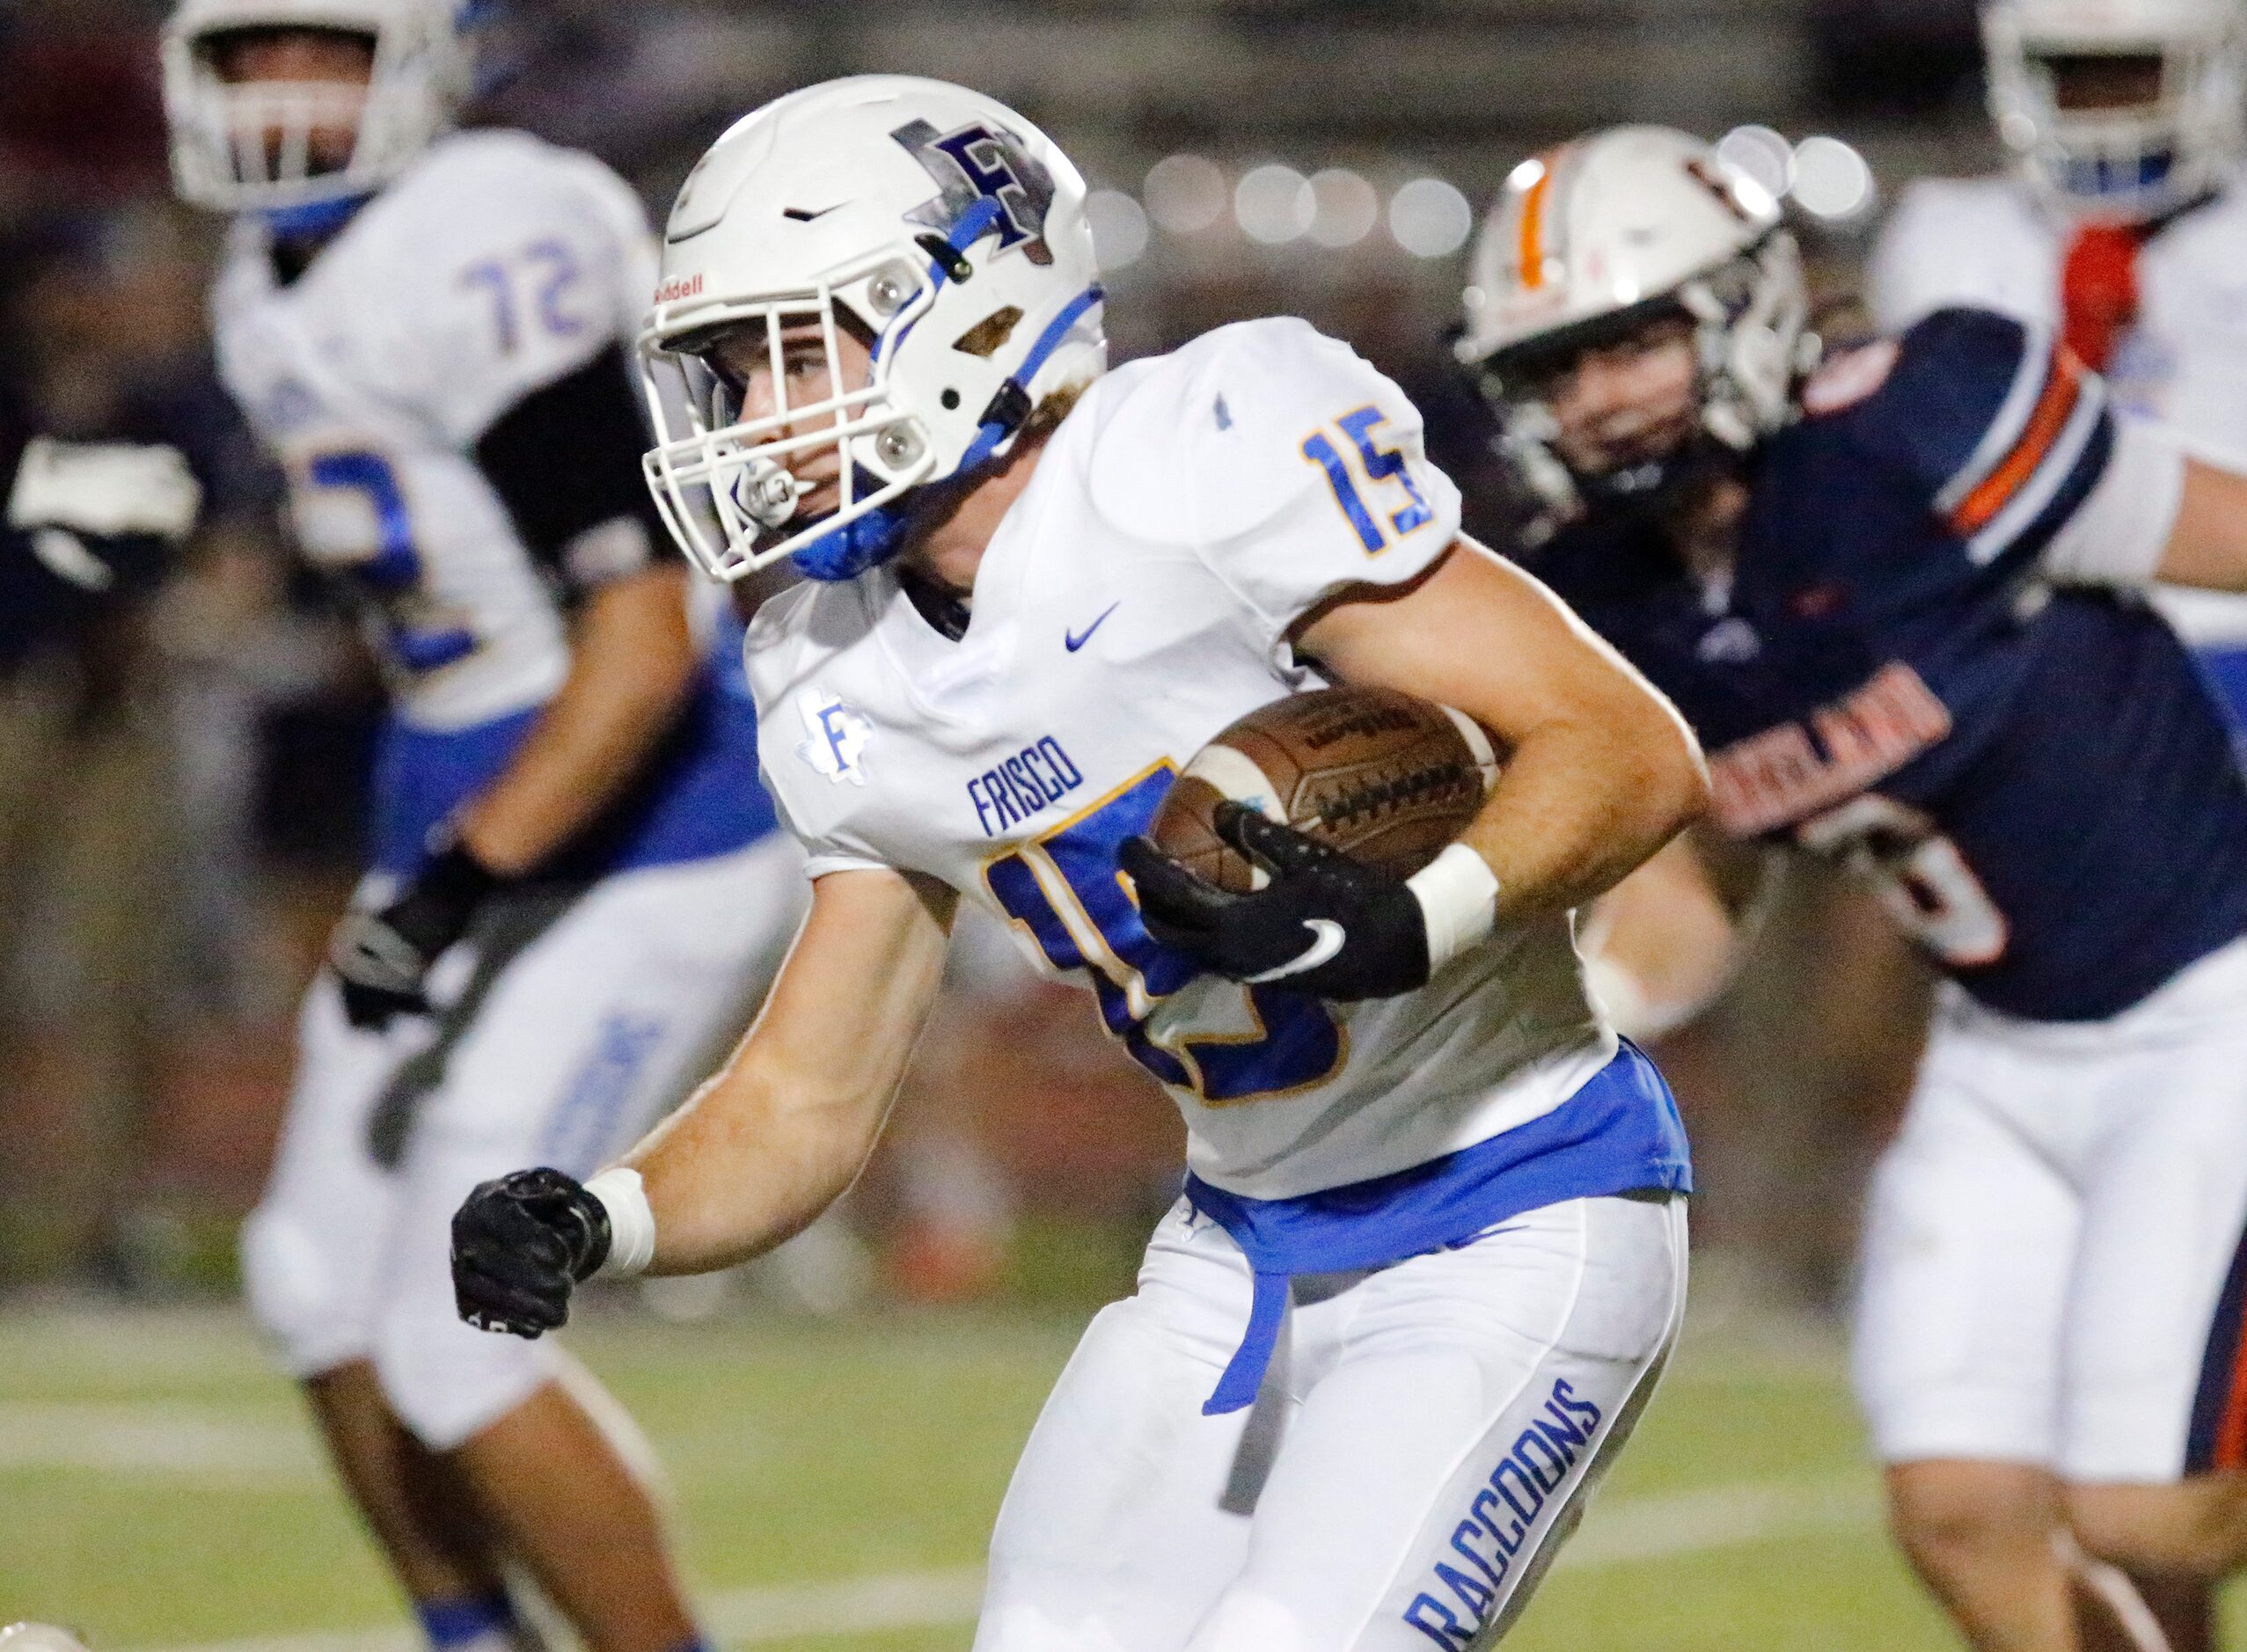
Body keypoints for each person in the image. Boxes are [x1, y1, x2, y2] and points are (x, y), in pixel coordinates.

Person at [449, 74, 1707, 1652]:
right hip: (1229, 1246)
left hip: (1511, 1209)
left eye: (784, 355)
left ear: (958, 308)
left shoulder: (1199, 457)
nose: (751, 420)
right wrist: (598, 1214)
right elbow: (808, 1096)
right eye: (722, 372)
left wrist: (1407, 917)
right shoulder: (827, 659)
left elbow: (1623, 744)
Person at [1455, 121, 2247, 1652]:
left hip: (2204, 1008)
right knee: (1957, 1507)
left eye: (1629, 340)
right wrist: (1556, 1045)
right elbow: (1701, 882)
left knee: (2145, 1511)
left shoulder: (1923, 428)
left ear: (1741, 304)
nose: (1595, 396)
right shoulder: (1619, 596)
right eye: (1556, 362)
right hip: (2000, 1053)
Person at [161, 4, 800, 1652]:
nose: (284, 93)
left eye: (322, 49)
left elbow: (644, 632)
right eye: (251, 54)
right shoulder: (260, 278)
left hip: (644, 818)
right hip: (464, 801)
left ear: (419, 65)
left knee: (458, 1330)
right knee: (310, 1276)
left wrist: (457, 882)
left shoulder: (479, 236)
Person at [1868, 0, 2247, 738]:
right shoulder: (1943, 236)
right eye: (2076, 77)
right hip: (2020, 647)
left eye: (2135, 76)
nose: (2107, 110)